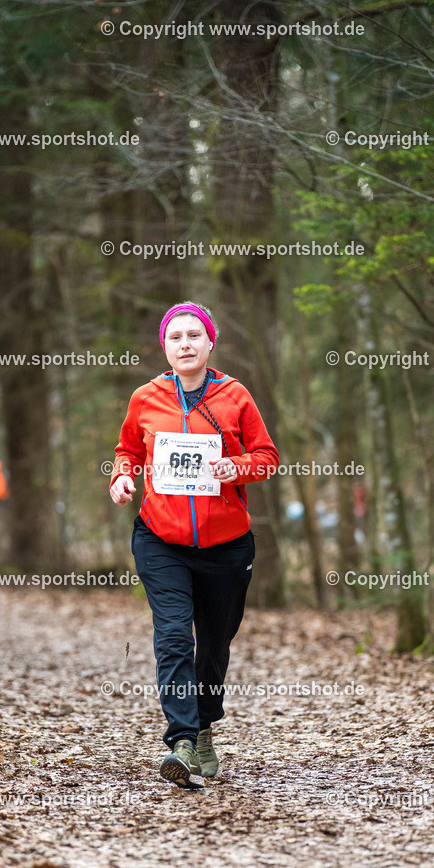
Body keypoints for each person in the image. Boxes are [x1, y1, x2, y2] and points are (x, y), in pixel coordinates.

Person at [109, 302, 279, 789]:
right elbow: (128, 451)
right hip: (161, 539)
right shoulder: (147, 397)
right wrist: (122, 478)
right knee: (174, 638)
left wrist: (237, 467)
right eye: (176, 337)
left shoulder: (235, 396)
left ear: (210, 343)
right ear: (165, 346)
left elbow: (266, 456)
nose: (185, 344)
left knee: (214, 642)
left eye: (194, 336)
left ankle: (204, 724)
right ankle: (182, 739)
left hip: (227, 545)